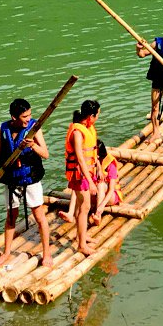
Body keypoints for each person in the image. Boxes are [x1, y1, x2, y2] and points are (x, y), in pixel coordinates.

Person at [0, 98, 52, 269]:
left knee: (38, 216)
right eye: (24, 116)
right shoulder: (4, 129)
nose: (28, 118)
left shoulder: (34, 128)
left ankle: (47, 254)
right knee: (11, 216)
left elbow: (45, 154)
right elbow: (0, 154)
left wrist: (33, 146)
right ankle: (7, 253)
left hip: (30, 178)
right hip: (11, 178)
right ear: (14, 117)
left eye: (29, 114)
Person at [62, 100, 100, 255]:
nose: (97, 118)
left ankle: (82, 237)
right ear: (91, 116)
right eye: (97, 115)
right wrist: (90, 182)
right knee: (84, 208)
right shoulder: (78, 133)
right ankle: (82, 245)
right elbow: (80, 158)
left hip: (87, 173)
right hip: (79, 175)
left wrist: (97, 166)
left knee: (81, 207)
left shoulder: (86, 128)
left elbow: (91, 152)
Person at [90, 141, 120, 225]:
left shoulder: (111, 165)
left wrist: (102, 206)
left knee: (101, 185)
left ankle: (98, 215)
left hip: (110, 196)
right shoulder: (92, 162)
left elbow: (111, 190)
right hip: (96, 194)